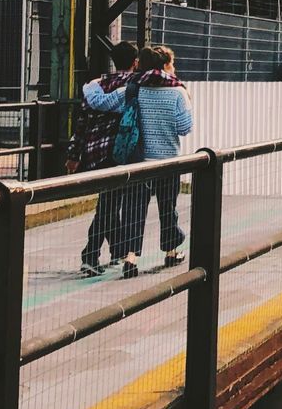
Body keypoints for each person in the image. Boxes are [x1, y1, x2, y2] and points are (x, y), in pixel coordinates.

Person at [83, 45, 193, 278]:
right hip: (168, 161)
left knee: (134, 209)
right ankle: (171, 250)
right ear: (165, 66)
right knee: (168, 208)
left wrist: (90, 85)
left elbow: (102, 102)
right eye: (171, 64)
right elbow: (185, 128)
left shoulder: (132, 89)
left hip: (138, 160)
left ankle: (131, 258)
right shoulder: (178, 91)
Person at [68, 41, 139, 276]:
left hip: (94, 152)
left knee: (109, 201)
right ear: (135, 62)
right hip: (119, 152)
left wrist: (74, 155)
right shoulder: (134, 87)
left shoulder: (96, 87)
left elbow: (81, 123)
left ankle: (117, 249)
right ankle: (90, 256)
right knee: (108, 206)